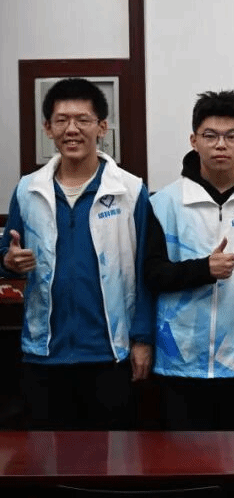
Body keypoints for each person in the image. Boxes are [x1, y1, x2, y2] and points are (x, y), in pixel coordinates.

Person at [0, 77, 153, 429]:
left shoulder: (130, 190)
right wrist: (9, 262)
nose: (72, 129)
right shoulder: (28, 190)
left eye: (83, 120)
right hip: (44, 353)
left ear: (102, 127)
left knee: (113, 453)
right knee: (46, 454)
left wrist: (142, 339)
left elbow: (146, 268)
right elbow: (8, 254)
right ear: (47, 128)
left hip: (110, 352)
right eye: (61, 120)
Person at [145, 90, 234, 430]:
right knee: (184, 457)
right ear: (193, 140)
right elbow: (151, 274)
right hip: (181, 360)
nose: (220, 145)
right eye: (210, 136)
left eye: (231, 136)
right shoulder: (164, 203)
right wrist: (203, 269)